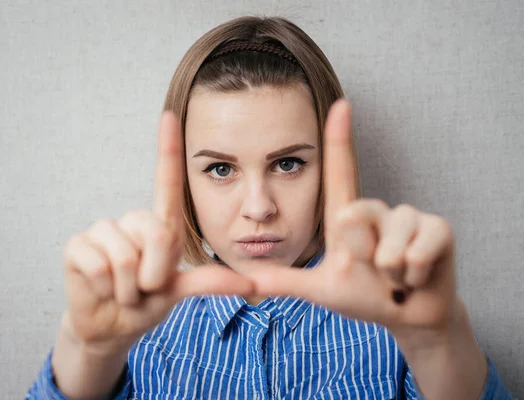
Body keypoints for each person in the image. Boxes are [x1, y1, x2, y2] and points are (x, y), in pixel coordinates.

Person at [26, 16, 513, 399]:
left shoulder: (398, 328)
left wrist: (436, 342)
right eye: (220, 169)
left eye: (287, 164)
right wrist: (87, 351)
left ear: (329, 165)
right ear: (184, 180)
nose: (258, 208)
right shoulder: (136, 341)